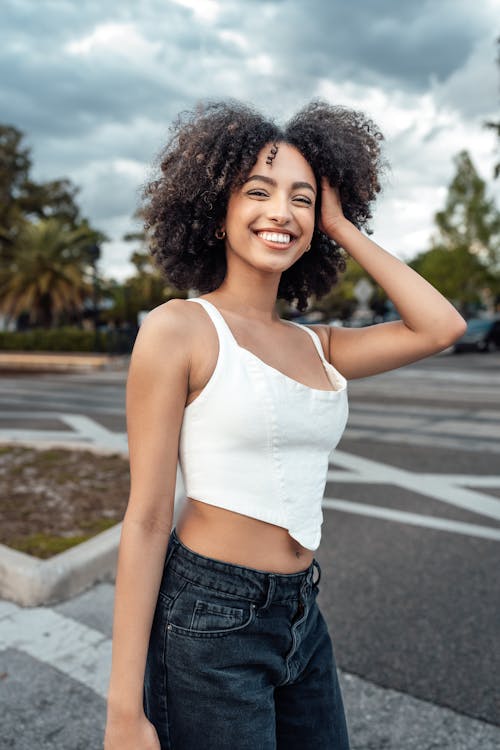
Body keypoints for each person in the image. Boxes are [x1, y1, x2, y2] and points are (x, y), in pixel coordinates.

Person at [103, 100, 466, 750]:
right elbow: (148, 518)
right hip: (208, 616)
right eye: (258, 191)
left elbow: (441, 327)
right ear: (216, 206)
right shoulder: (179, 329)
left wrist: (340, 224)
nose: (281, 212)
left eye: (301, 198)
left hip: (301, 612)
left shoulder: (317, 344)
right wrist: (123, 711)